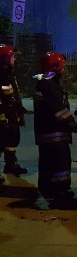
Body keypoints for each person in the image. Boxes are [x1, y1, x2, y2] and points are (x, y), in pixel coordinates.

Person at [33, 52, 77, 206]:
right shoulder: (51, 85)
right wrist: (72, 123)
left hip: (44, 132)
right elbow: (58, 110)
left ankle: (47, 189)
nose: (64, 69)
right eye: (63, 66)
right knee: (61, 163)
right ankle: (61, 191)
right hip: (55, 133)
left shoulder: (42, 83)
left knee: (46, 162)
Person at [0, 44, 27, 181]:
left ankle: (11, 164)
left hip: (11, 115)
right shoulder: (2, 75)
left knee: (12, 140)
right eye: (13, 57)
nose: (15, 59)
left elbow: (12, 94)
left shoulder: (9, 73)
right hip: (3, 116)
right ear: (5, 59)